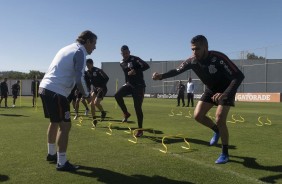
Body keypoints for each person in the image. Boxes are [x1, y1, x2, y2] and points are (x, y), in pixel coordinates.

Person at [152, 35, 245, 164]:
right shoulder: (192, 61)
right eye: (192, 49)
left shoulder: (218, 58)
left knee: (219, 118)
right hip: (211, 90)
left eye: (197, 49)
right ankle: (216, 130)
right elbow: (177, 70)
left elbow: (239, 76)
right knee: (197, 115)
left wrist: (226, 94)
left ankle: (225, 153)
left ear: (206, 47)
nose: (194, 52)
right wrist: (161, 76)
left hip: (225, 90)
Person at [39, 30, 96, 171]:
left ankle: (51, 154)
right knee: (65, 126)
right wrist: (88, 95)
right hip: (56, 91)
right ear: (88, 41)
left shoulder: (66, 48)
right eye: (94, 43)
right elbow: (79, 78)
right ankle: (62, 162)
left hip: (44, 88)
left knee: (54, 122)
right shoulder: (80, 51)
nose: (94, 47)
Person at [114, 45, 150, 137]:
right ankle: (126, 113)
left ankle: (140, 130)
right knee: (117, 95)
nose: (125, 55)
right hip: (129, 85)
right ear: (121, 53)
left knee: (137, 107)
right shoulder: (121, 62)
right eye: (123, 53)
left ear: (129, 52)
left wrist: (136, 71)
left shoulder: (135, 59)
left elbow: (146, 66)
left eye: (126, 53)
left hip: (139, 86)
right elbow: (127, 73)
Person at [85, 58, 109, 127]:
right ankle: (94, 120)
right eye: (87, 65)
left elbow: (107, 78)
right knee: (91, 103)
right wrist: (89, 90)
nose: (88, 67)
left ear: (92, 64)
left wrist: (101, 87)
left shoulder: (98, 70)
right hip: (95, 89)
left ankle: (103, 112)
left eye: (89, 65)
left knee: (96, 103)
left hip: (102, 88)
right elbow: (87, 82)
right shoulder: (87, 72)